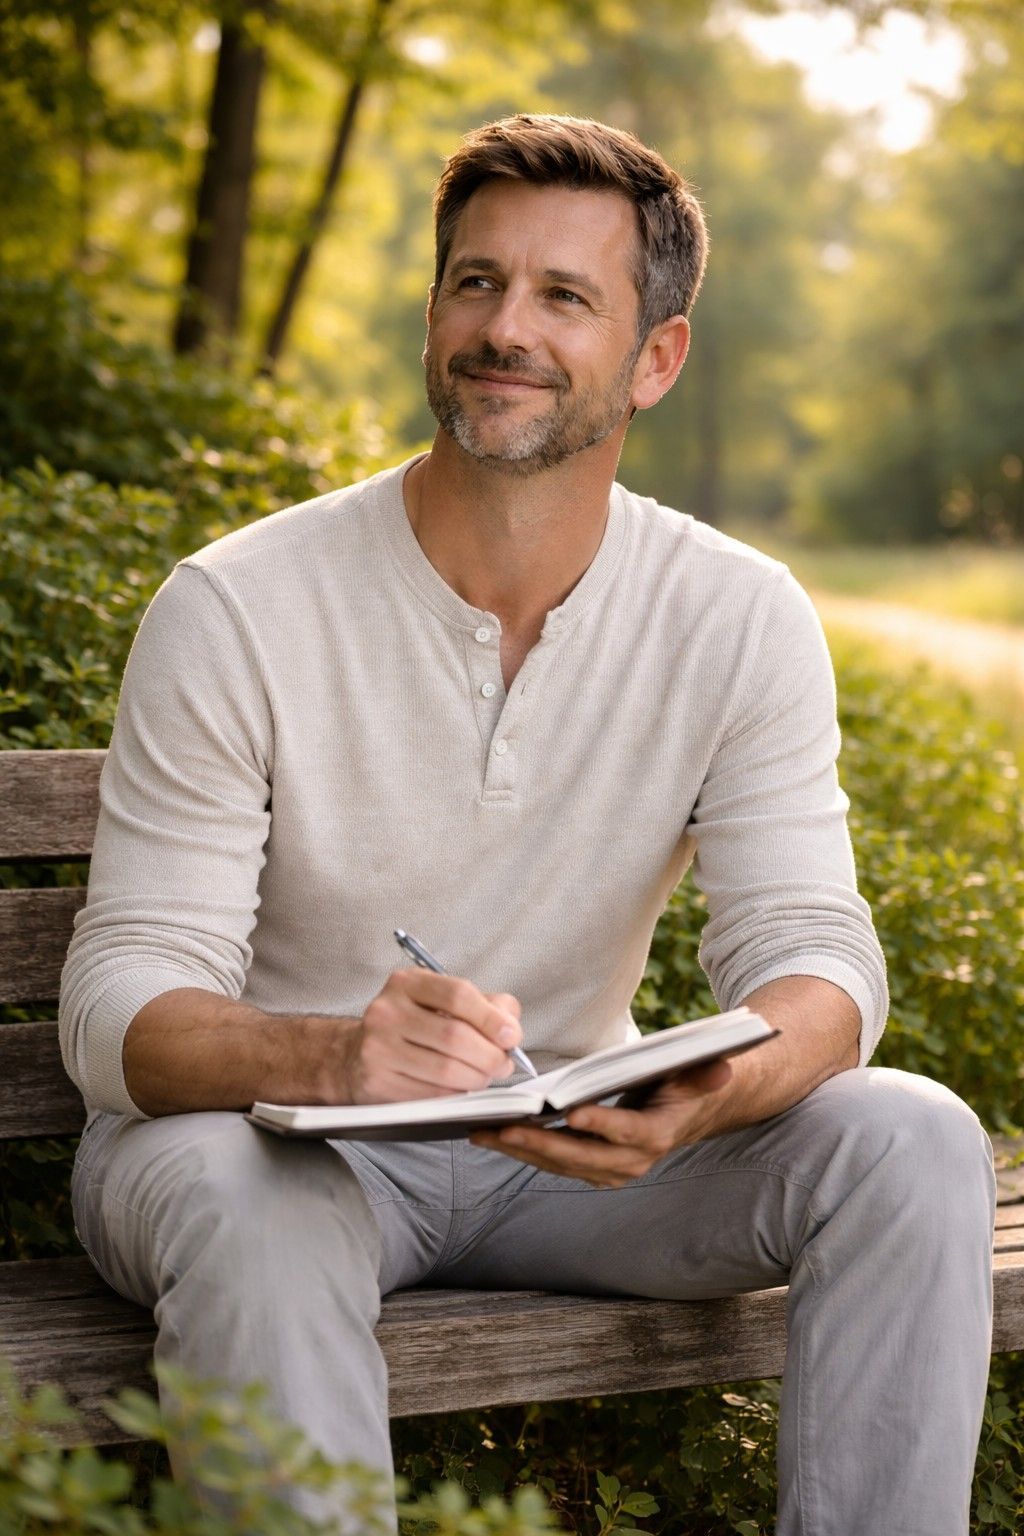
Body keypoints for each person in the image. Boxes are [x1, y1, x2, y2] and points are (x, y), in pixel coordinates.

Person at [60, 114, 995, 1536]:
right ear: (434, 313)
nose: (508, 328)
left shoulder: (739, 616)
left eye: (566, 297)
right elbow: (117, 1010)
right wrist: (335, 1053)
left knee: (913, 1138)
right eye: (477, 283)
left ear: (655, 358)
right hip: (258, 1146)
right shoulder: (235, 607)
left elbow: (819, 962)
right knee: (249, 1204)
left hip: (569, 1163)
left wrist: (710, 1094)